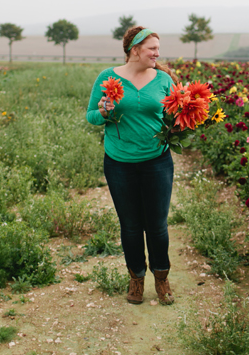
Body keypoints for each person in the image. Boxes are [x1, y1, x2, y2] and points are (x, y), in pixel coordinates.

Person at [85, 26, 178, 305]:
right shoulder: (107, 77)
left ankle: (161, 279)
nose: (157, 53)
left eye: (157, 48)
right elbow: (91, 116)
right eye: (152, 48)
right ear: (134, 50)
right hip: (119, 163)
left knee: (158, 226)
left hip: (157, 161)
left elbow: (175, 114)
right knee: (131, 226)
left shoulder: (163, 79)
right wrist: (103, 111)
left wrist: (185, 121)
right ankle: (136, 278)